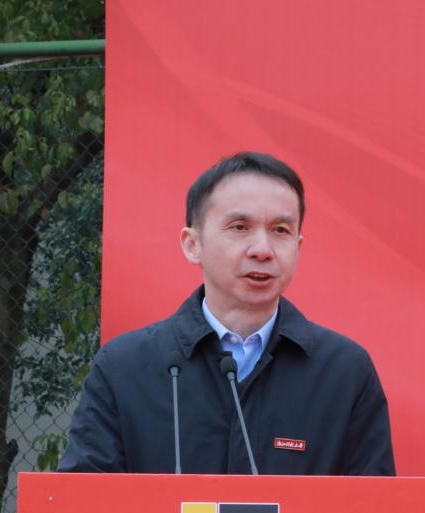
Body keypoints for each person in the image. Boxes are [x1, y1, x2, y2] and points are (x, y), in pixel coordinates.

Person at [58, 151, 395, 475]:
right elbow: (83, 503)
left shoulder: (344, 372)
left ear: (298, 246)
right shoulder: (125, 368)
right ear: (193, 244)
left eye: (280, 230)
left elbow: (374, 507)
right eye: (239, 227)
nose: (262, 250)